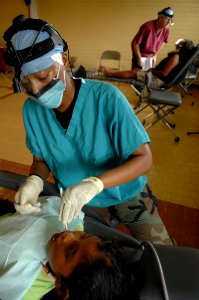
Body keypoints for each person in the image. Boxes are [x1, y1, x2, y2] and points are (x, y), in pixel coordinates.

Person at [3, 15, 173, 245]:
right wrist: (34, 181)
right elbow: (41, 160)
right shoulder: (31, 111)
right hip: (79, 201)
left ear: (63, 59)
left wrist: (95, 184)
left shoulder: (106, 98)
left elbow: (143, 159)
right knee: (93, 266)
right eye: (26, 84)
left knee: (164, 258)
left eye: (42, 76)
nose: (36, 90)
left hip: (127, 193)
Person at [0, 198, 138, 300]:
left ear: (60, 287)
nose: (68, 235)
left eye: (70, 251)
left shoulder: (21, 289)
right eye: (84, 236)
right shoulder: (73, 222)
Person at [103, 39, 195, 89]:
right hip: (160, 80)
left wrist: (151, 70)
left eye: (179, 43)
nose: (176, 44)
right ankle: (111, 73)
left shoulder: (176, 57)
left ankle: (109, 74)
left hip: (158, 82)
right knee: (136, 71)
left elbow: (164, 73)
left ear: (181, 46)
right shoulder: (180, 58)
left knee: (134, 73)